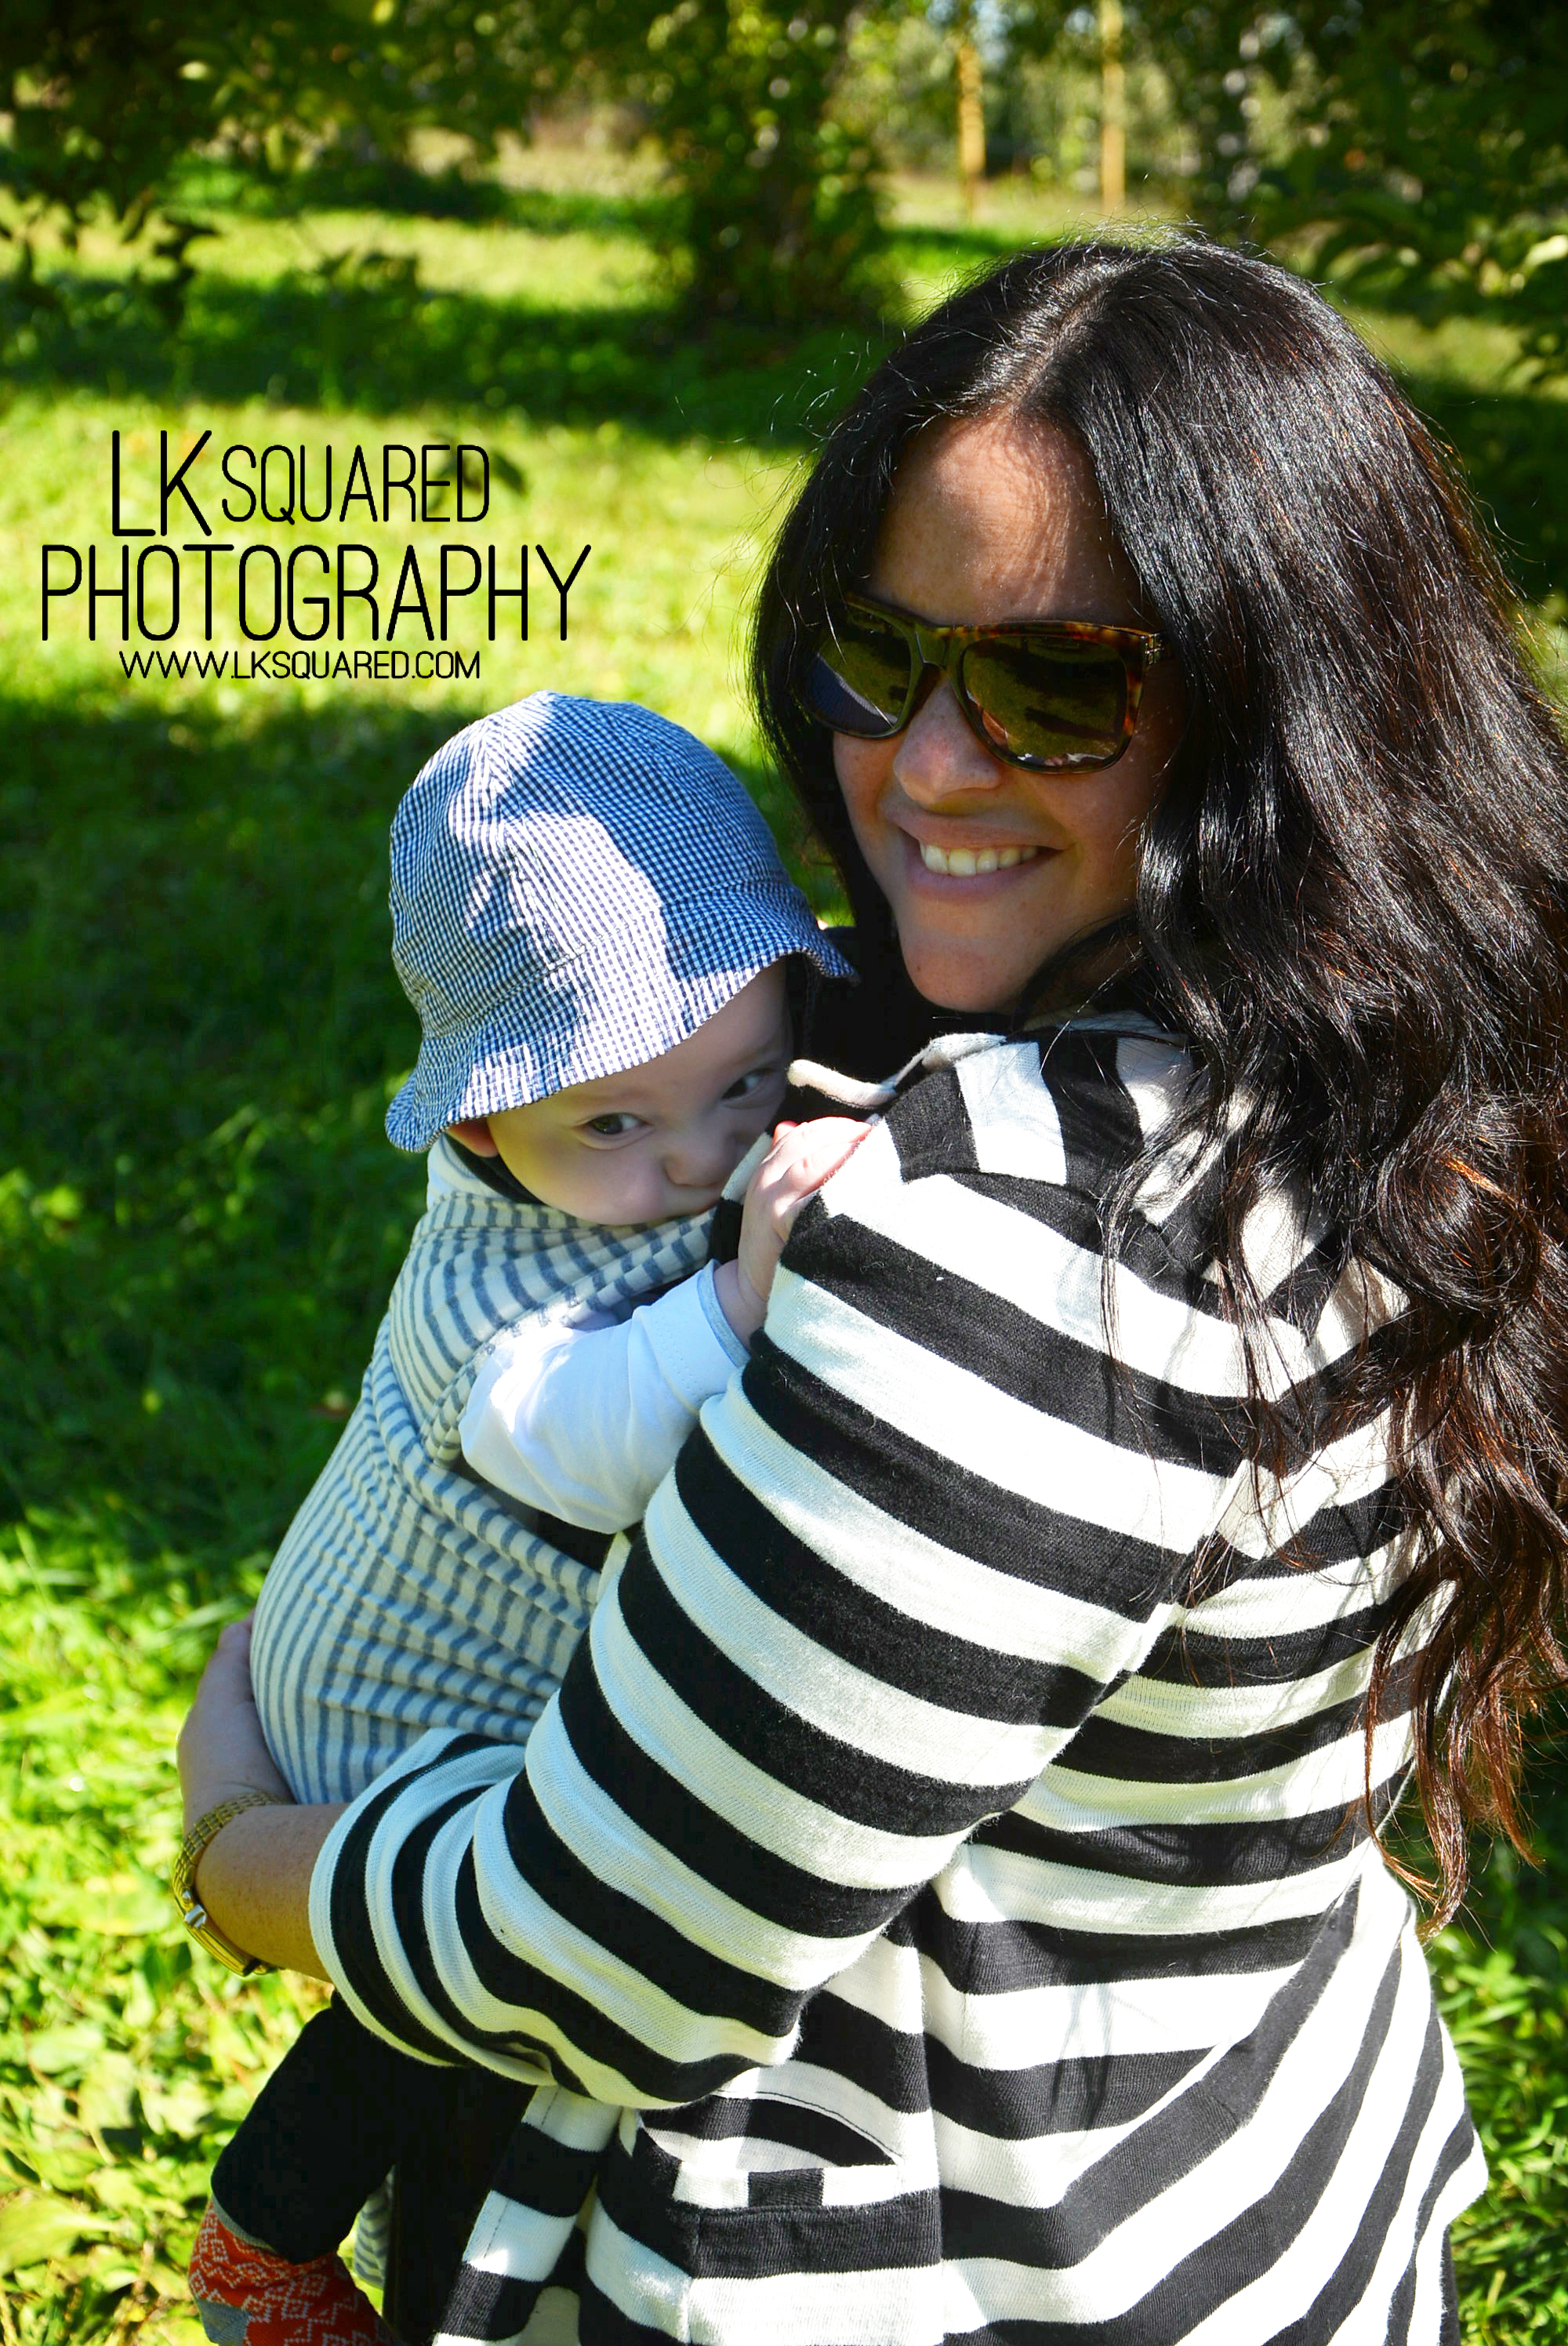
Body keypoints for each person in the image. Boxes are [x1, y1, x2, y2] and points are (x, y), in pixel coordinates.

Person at [176, 236, 1568, 2345]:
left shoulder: (1014, 1245)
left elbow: (596, 1948)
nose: (923, 768)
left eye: (1057, 685)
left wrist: (240, 1843)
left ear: (1285, 706)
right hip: (1249, 2196)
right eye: (878, 651)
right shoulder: (1395, 1093)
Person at [179, 691, 864, 2346]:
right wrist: (741, 1297)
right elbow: (590, 1443)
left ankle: (291, 2227)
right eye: (616, 1124)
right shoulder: (491, 1303)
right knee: (484, 1997)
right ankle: (275, 2238)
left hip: (412, 1690)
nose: (697, 1159)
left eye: (744, 1083)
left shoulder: (616, 1156)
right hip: (389, 1722)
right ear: (482, 1122)